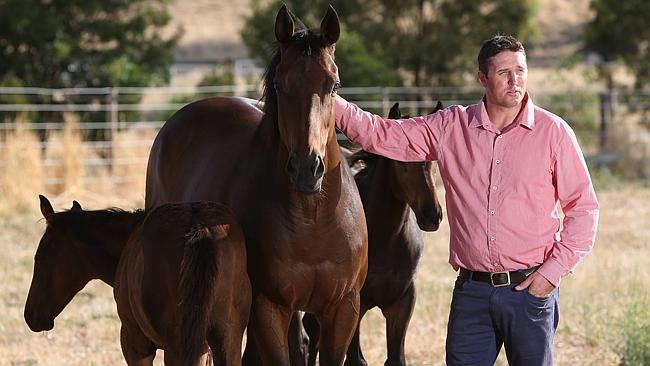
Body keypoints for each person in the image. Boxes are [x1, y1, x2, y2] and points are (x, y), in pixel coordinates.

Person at [333, 35, 599, 366]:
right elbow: (383, 135)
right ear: (482, 78)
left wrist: (551, 274)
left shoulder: (554, 133)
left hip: (531, 292)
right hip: (472, 292)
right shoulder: (451, 127)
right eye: (503, 73)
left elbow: (584, 210)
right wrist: (325, 98)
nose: (515, 81)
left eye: (520, 70)